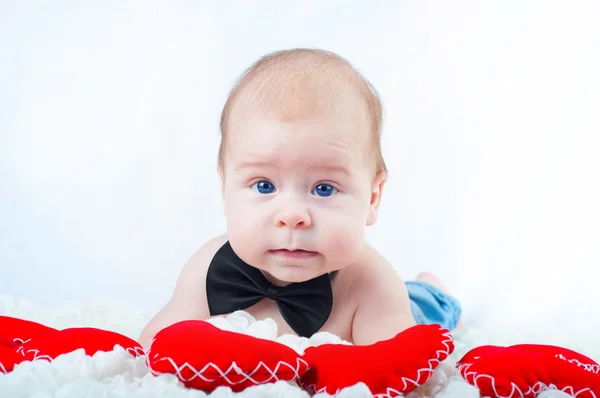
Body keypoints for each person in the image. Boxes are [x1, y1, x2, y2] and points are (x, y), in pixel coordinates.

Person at [139, 48, 461, 350]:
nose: (292, 216)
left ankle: (432, 290)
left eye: (324, 188)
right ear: (225, 190)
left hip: (404, 309)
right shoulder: (208, 271)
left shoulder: (372, 284)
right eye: (264, 186)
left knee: (424, 305)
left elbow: (400, 370)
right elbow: (154, 343)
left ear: (372, 198)